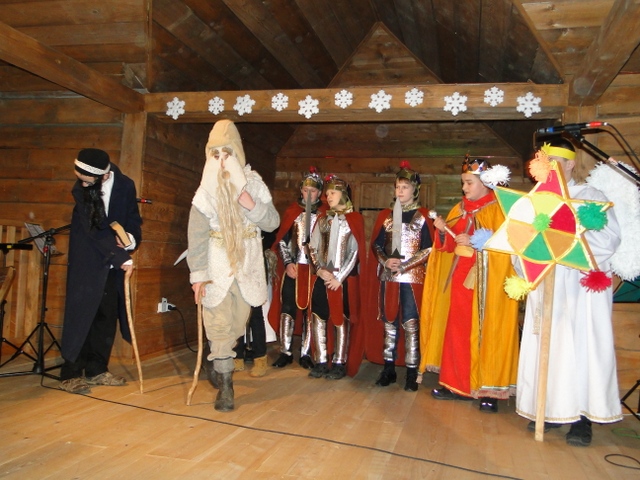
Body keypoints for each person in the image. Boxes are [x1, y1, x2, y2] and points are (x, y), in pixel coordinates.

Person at [516, 139, 623, 446]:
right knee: (548, 347)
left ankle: (582, 417)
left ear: (571, 164)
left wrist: (567, 243)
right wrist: (532, 255)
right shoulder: (535, 200)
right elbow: (518, 240)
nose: (549, 169)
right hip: (547, 282)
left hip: (579, 288)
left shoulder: (590, 196)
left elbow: (608, 239)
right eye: (544, 163)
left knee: (582, 349)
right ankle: (548, 410)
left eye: (555, 163)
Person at [187, 120, 279, 412]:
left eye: (226, 152)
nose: (221, 159)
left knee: (236, 325)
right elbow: (196, 235)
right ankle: (226, 385)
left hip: (246, 266)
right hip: (216, 266)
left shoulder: (254, 184)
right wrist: (198, 276)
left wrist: (252, 206)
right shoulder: (205, 190)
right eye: (215, 153)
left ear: (237, 153)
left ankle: (219, 361)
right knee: (218, 325)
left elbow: (272, 222)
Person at [419, 156, 519, 413]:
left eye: (469, 183)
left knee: (488, 333)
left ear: (485, 183)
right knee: (458, 331)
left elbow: (511, 249)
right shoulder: (459, 209)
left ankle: (489, 390)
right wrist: (444, 231)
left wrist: (477, 242)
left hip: (489, 285)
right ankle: (456, 384)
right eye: (463, 182)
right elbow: (447, 248)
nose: (464, 188)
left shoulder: (500, 210)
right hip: (461, 282)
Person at [59, 148, 142, 395]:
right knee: (82, 314)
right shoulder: (81, 190)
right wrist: (121, 257)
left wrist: (130, 241)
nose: (82, 184)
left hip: (112, 261)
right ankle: (70, 373)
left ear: (103, 176)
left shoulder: (125, 185)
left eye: (87, 181)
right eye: (80, 179)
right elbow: (95, 230)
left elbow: (133, 219)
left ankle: (96, 369)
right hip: (88, 258)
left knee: (106, 315)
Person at [366, 161, 432, 391]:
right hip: (389, 277)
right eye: (398, 187)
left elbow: (428, 248)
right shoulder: (386, 217)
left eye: (405, 186)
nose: (400, 191)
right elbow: (376, 245)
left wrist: (405, 266)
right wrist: (385, 260)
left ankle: (412, 372)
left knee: (411, 324)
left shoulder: (422, 216)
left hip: (412, 278)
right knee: (389, 322)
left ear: (415, 189)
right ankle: (389, 368)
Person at [307, 174, 366, 379]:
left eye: (332, 193)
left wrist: (339, 277)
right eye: (327, 193)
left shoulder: (353, 220)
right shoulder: (323, 220)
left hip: (343, 279)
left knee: (341, 318)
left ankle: (340, 361)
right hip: (323, 276)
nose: (328, 196)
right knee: (319, 316)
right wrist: (319, 269)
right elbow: (312, 247)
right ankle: (321, 360)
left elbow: (355, 252)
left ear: (343, 194)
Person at [269, 167, 325, 370]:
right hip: (293, 268)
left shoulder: (325, 215)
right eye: (305, 190)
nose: (309, 194)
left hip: (314, 271)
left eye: (313, 191)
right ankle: (285, 351)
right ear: (301, 191)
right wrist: (287, 263)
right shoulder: (292, 212)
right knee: (287, 308)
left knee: (311, 311)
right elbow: (283, 241)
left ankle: (305, 353)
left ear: (319, 192)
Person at [233, 231, 277, 377]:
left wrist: (255, 245)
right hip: (236, 265)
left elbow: (271, 234)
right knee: (237, 314)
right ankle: (237, 355)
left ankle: (260, 358)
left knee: (256, 315)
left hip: (255, 267)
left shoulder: (258, 220)